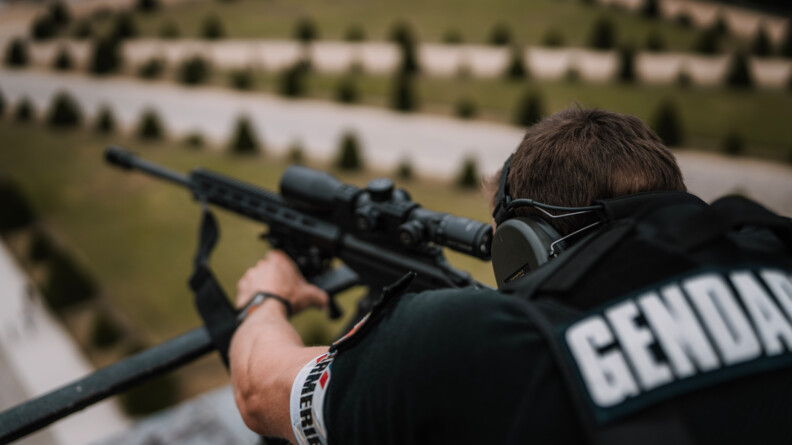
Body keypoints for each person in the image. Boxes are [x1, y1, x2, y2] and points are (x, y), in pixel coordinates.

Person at [229, 107, 792, 444]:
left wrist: (264, 297)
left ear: (524, 249)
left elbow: (261, 389)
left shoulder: (473, 343)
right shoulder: (774, 254)